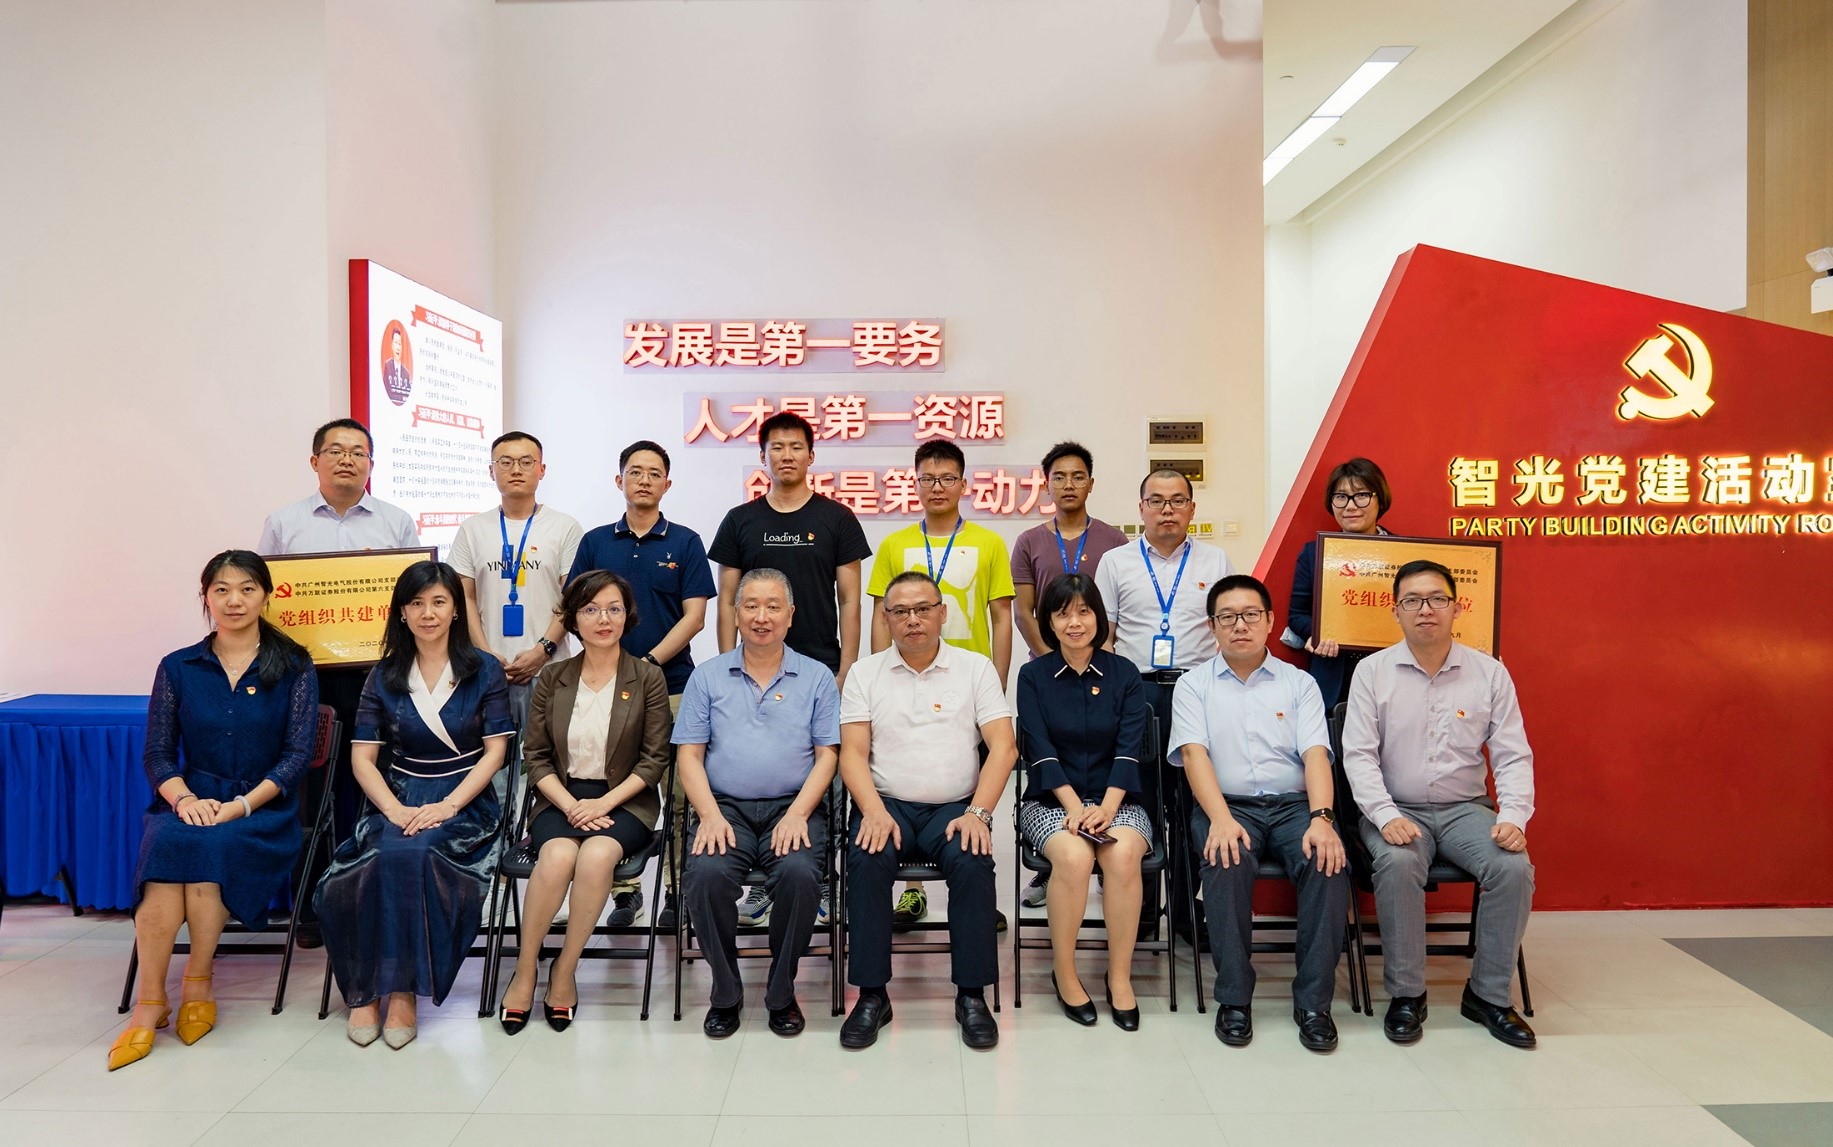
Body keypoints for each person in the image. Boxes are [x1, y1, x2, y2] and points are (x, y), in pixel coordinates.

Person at [110, 551, 319, 1071]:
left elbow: (296, 756)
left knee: (214, 848)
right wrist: (183, 799)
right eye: (221, 589)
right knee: (164, 847)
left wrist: (241, 805)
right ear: (205, 597)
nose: (234, 600)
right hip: (191, 799)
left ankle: (198, 981)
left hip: (260, 807)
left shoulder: (294, 665)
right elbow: (158, 753)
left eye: (246, 588)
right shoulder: (179, 666)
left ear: (266, 595)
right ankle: (150, 1001)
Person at [314, 561, 514, 1049]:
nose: (428, 613)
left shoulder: (484, 669)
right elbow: (363, 760)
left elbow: (496, 753)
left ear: (455, 609)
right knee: (364, 864)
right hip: (398, 795)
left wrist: (448, 806)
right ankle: (366, 990)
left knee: (416, 854)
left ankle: (402, 990)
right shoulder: (383, 674)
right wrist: (393, 810)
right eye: (417, 603)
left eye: (439, 602)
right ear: (401, 612)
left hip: (465, 799)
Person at [1342, 559, 1537, 1049]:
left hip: (1464, 808)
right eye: (1412, 600)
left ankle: (1488, 996)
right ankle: (1407, 995)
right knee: (1399, 862)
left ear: (1456, 607)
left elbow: (1513, 754)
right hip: (1395, 808)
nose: (1425, 609)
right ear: (1395, 611)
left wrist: (1514, 817)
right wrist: (1384, 815)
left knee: (1512, 868)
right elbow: (1358, 755)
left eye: (1436, 599)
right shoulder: (1372, 672)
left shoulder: (1489, 673)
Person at [257, 417, 421, 948]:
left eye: (358, 452)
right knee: (312, 792)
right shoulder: (284, 523)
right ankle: (312, 904)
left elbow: (416, 599)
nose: (347, 459)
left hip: (379, 677)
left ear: (371, 463)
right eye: (335, 450)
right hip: (307, 679)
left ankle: (372, 895)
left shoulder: (396, 523)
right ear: (315, 461)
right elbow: (265, 599)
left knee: (378, 784)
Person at [1169, 575, 1349, 1052]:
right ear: (1212, 626)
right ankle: (1234, 998)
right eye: (1227, 617)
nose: (1240, 625)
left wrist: (1322, 818)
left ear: (1270, 620)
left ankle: (1314, 1003)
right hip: (1226, 805)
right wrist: (1220, 818)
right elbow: (1193, 755)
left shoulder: (1300, 683)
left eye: (1251, 615)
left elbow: (1316, 755)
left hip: (1294, 806)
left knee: (1328, 861)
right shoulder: (1193, 685)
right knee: (1225, 857)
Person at [838, 572, 1017, 1051]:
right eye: (900, 611)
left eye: (923, 609)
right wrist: (872, 811)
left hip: (955, 809)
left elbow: (1003, 747)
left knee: (973, 861)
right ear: (886, 619)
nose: (912, 619)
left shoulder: (975, 668)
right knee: (866, 859)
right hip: (886, 805)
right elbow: (852, 754)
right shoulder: (864, 674)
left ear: (942, 613)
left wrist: (978, 813)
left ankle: (972, 995)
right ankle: (872, 995)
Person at [708, 411, 870, 929]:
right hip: (752, 669)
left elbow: (851, 600)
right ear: (763, 457)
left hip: (821, 668)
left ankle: (818, 881)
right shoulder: (740, 520)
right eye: (775, 447)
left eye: (796, 446)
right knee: (763, 767)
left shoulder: (837, 518)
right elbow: (728, 599)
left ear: (811, 455)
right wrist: (727, 663)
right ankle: (763, 885)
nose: (786, 455)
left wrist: (847, 666)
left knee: (829, 774)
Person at [496, 570, 672, 1034]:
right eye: (591, 610)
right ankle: (526, 969)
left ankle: (564, 970)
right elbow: (535, 756)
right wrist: (570, 803)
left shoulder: (647, 677)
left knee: (595, 857)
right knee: (556, 857)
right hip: (560, 797)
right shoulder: (553, 677)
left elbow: (653, 760)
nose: (603, 619)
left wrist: (603, 804)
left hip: (626, 801)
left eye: (614, 609)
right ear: (573, 619)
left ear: (627, 616)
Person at [676, 569, 840, 1039]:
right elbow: (689, 756)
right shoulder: (707, 676)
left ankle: (781, 991)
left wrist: (799, 813)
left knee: (800, 875)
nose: (761, 617)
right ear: (735, 614)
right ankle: (726, 991)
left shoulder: (817, 677)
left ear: (790, 615)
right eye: (750, 606)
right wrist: (708, 815)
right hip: (725, 807)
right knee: (705, 876)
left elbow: (828, 756)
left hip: (794, 806)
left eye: (772, 606)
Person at [865, 438, 1014, 930]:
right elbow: (879, 615)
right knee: (910, 780)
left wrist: (996, 682)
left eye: (947, 478)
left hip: (966, 683)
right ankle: (913, 894)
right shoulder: (894, 544)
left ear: (963, 484)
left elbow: (1001, 617)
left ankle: (975, 891)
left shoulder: (989, 543)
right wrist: (878, 673)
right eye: (928, 478)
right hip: (905, 678)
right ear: (915, 484)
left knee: (969, 783)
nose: (937, 486)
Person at [569, 439, 715, 932]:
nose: (645, 480)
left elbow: (694, 617)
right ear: (620, 481)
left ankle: (676, 891)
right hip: (604, 689)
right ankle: (625, 892)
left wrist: (648, 664)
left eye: (655, 473)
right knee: (614, 786)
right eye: (635, 472)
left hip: (672, 687)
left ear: (667, 484)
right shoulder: (595, 542)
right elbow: (576, 609)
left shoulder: (686, 542)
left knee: (679, 793)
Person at [1094, 468, 1235, 933]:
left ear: (1192, 509)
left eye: (1177, 501)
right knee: (1143, 802)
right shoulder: (1116, 562)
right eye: (1156, 501)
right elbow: (1104, 635)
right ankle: (1141, 911)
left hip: (1198, 692)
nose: (1167, 509)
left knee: (1192, 802)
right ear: (1141, 509)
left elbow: (1226, 628)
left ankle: (1185, 910)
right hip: (1137, 691)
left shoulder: (1215, 560)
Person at [1015, 574, 1151, 1030]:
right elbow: (1039, 749)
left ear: (1099, 616)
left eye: (1084, 611)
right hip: (1051, 801)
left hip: (1118, 799)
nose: (1075, 622)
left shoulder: (1124, 673)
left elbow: (1129, 749)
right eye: (1062, 613)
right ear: (1049, 622)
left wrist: (1107, 808)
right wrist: (1074, 807)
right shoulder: (1033, 675)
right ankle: (1066, 972)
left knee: (1123, 854)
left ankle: (1119, 976)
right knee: (1074, 857)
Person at [1010, 440, 1130, 908]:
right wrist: (1053, 659)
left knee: (1098, 750)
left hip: (1100, 666)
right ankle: (1052, 866)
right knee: (1051, 752)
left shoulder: (1114, 541)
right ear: (1046, 485)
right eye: (1059, 477)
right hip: (1048, 669)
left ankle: (1103, 864)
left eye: (1078, 476)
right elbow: (1024, 611)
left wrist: (1092, 655)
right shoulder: (1029, 541)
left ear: (1091, 483)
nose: (1068, 484)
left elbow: (1113, 609)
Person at [450, 431, 583, 732]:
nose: (516, 470)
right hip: (487, 670)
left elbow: (572, 597)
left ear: (541, 469)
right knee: (493, 754)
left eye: (526, 462)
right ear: (491, 470)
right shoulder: (472, 529)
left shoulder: (565, 527)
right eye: (505, 462)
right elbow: (464, 597)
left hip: (550, 669)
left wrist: (543, 649)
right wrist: (485, 655)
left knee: (548, 753)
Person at [1286, 457, 1393, 709]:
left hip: (1390, 673)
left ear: (1380, 499)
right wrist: (1320, 632)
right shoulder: (1314, 554)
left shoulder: (1403, 554)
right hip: (1333, 674)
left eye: (1361, 495)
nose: (1351, 506)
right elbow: (1297, 615)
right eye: (1341, 497)